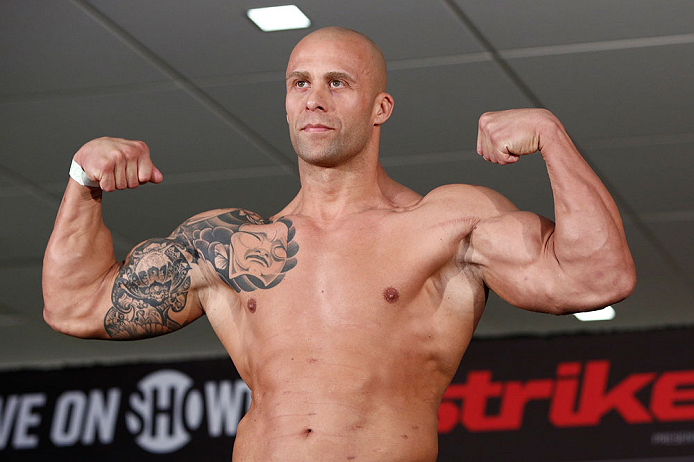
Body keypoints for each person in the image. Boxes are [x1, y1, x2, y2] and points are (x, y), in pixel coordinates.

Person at [42, 27, 636, 461]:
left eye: (337, 83)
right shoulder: (229, 243)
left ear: (381, 107)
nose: (314, 98)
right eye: (299, 82)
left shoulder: (447, 223)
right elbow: (74, 305)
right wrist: (82, 181)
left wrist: (553, 137)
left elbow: (598, 277)